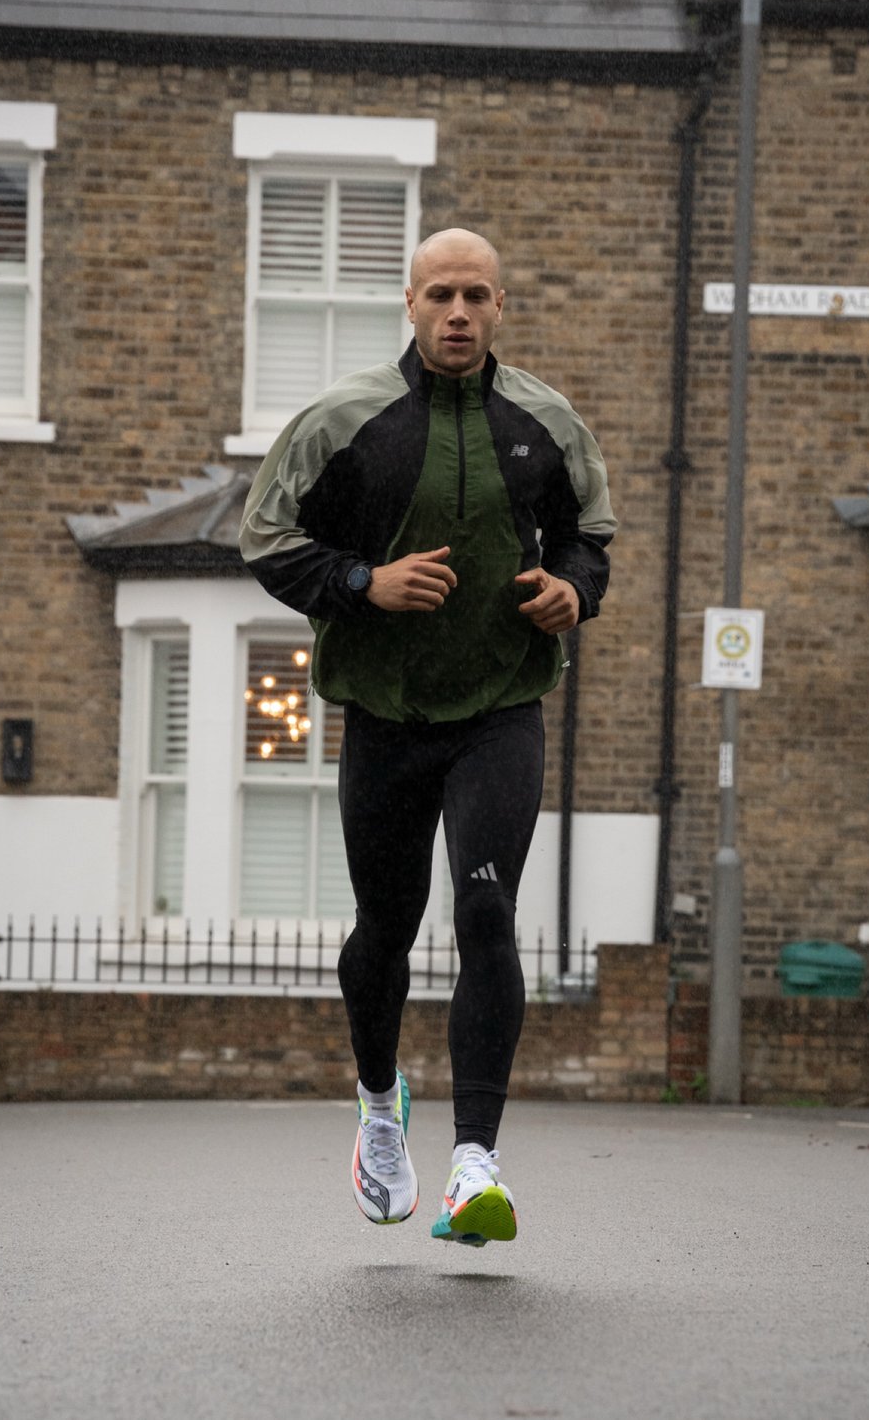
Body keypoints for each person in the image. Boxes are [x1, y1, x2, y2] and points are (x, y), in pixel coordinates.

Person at [239, 228, 616, 1246]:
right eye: (440, 294)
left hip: (500, 708)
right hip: (386, 717)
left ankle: (474, 1164)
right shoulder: (344, 421)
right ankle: (377, 1104)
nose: (459, 312)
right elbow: (268, 542)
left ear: (500, 307)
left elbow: (591, 542)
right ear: (408, 302)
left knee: (487, 912)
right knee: (385, 935)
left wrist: (569, 591)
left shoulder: (546, 421)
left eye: (477, 296)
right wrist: (367, 583)